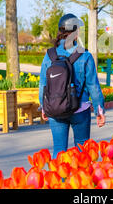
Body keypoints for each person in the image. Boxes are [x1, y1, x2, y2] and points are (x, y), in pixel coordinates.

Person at [39, 13, 106, 159]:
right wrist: (99, 110)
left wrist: (43, 106)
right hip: (80, 109)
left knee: (59, 151)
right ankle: (79, 181)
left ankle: (59, 181)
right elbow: (93, 86)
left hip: (55, 109)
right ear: (75, 33)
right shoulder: (84, 55)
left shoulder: (49, 55)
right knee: (82, 151)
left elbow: (43, 84)